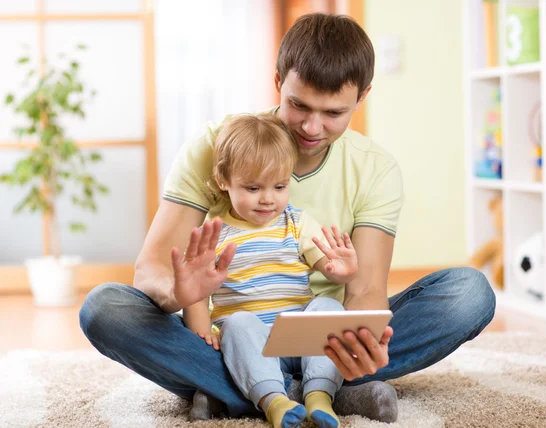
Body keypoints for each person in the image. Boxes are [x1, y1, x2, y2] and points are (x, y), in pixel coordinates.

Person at [79, 12, 495, 423]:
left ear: (362, 97)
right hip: (232, 334)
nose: (312, 127)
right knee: (104, 309)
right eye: (299, 105)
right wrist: (180, 295)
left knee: (468, 294)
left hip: (326, 334)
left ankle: (247, 393)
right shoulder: (214, 147)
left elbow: (365, 289)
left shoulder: (375, 169)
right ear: (278, 81)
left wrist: (364, 341)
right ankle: (325, 393)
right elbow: (150, 268)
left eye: (334, 113)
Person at [183, 112, 359, 428]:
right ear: (224, 181)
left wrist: (343, 271)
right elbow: (195, 294)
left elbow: (329, 268)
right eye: (253, 188)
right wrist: (202, 334)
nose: (268, 199)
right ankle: (274, 401)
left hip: (300, 340)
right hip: (251, 347)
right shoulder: (216, 233)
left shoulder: (297, 223)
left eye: (279, 186)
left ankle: (319, 393)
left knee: (330, 307)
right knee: (237, 323)